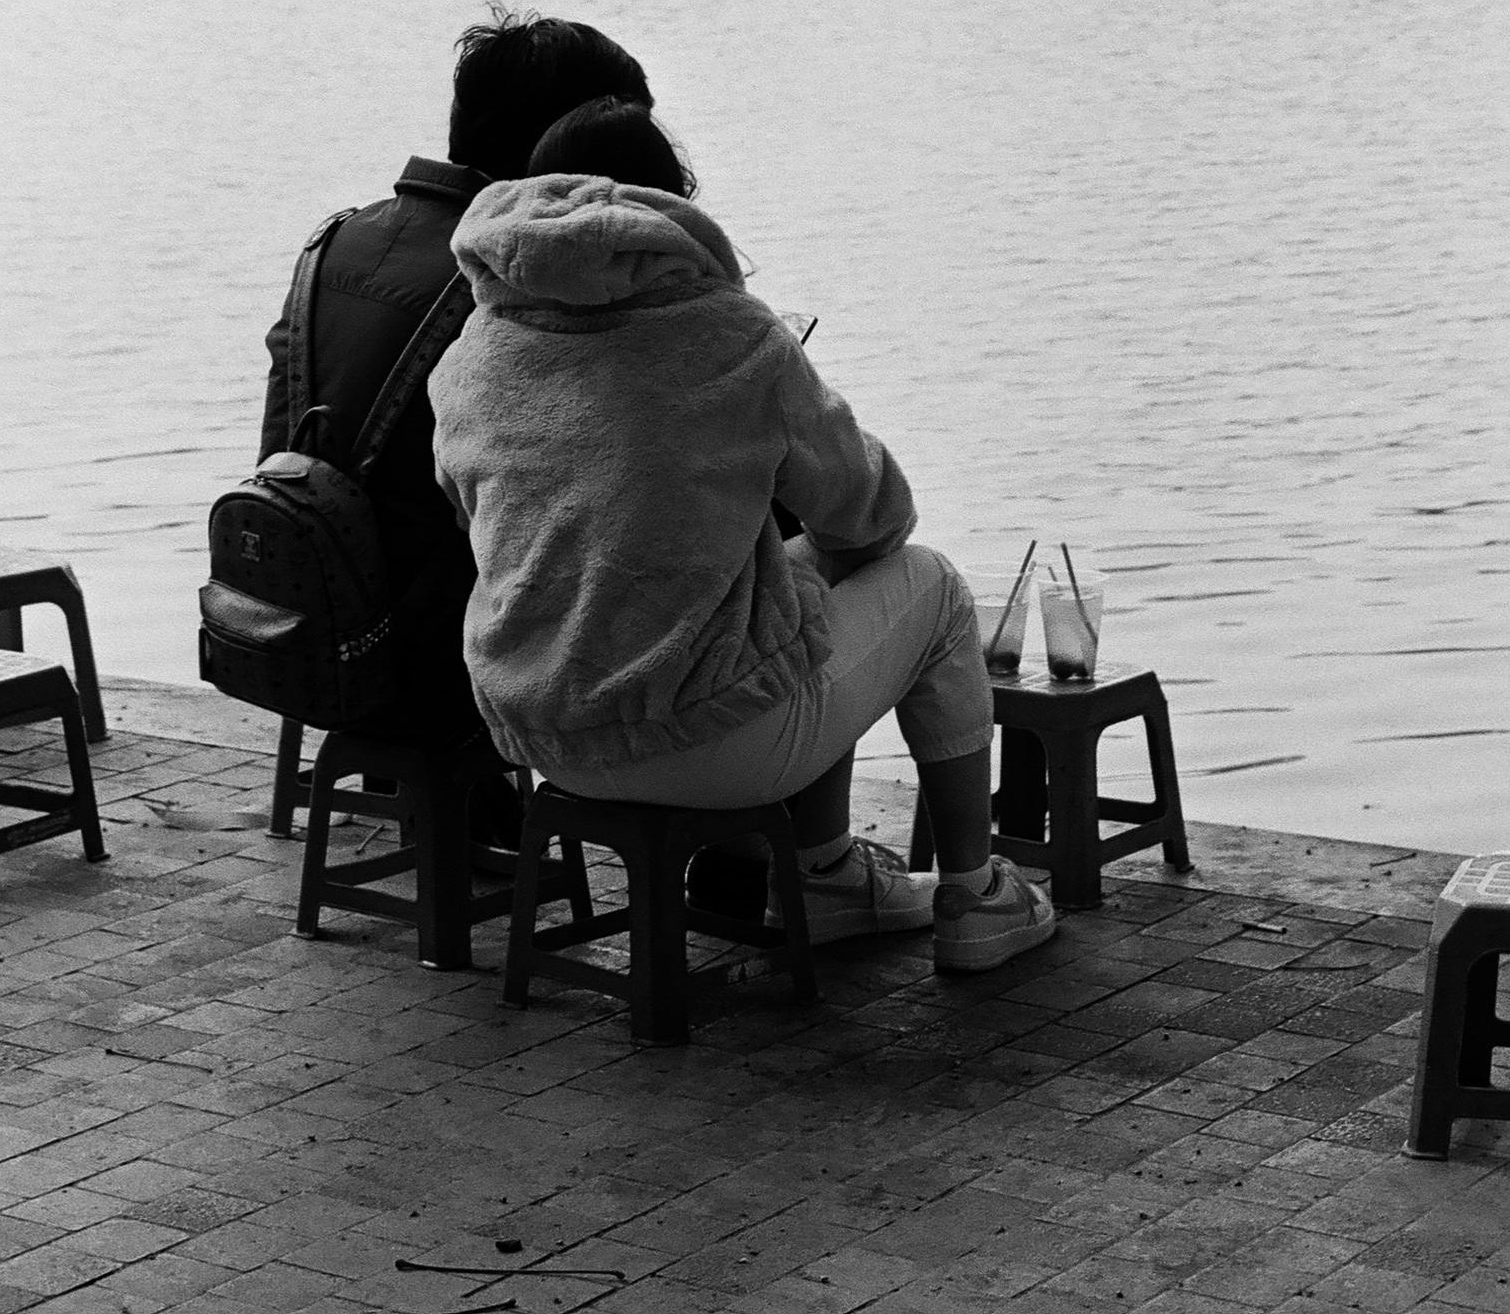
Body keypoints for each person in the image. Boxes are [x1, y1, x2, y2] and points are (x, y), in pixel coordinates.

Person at [430, 97, 1056, 973]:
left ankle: (830, 878)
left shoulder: (472, 350)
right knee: (933, 586)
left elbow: (486, 528)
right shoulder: (729, 333)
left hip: (541, 732)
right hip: (704, 743)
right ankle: (977, 892)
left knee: (798, 578)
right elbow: (872, 513)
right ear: (666, 208)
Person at [256, 13, 653, 759]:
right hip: (445, 662)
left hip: (312, 631)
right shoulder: (513, 283)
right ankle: (761, 855)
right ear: (567, 144)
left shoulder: (336, 238)